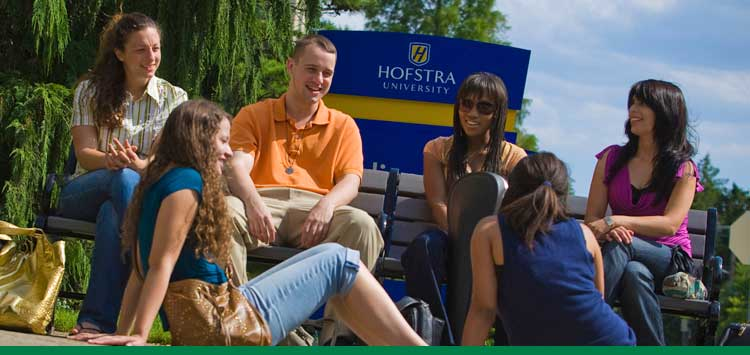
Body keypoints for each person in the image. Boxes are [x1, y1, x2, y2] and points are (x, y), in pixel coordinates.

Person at [68, 100, 426, 346]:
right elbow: (159, 265)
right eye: (222, 141)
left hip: (214, 317)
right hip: (220, 324)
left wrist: (122, 332)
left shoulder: (160, 181)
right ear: (198, 140)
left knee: (338, 265)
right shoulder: (187, 185)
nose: (227, 151)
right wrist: (140, 335)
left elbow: (139, 272)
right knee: (339, 260)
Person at [225, 34, 382, 344]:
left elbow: (351, 180)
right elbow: (237, 166)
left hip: (314, 212)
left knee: (362, 225)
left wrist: (325, 207)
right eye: (311, 69)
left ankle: (336, 340)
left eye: (327, 73)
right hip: (262, 204)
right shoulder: (255, 114)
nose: (319, 79)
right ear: (290, 66)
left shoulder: (343, 125)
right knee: (223, 212)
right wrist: (253, 203)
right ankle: (244, 328)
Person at [58, 12, 187, 335]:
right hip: (85, 188)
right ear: (119, 53)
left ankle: (94, 322)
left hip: (134, 195)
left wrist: (139, 165)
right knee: (122, 181)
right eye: (141, 50)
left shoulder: (175, 98)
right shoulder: (90, 90)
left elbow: (159, 161)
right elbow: (85, 155)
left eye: (156, 49)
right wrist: (113, 162)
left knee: (112, 216)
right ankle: (165, 298)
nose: (151, 58)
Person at [401, 72, 526, 344]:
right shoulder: (437, 149)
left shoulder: (514, 158)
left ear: (498, 114)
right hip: (451, 238)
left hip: (495, 248)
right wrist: (465, 240)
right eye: (466, 104)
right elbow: (438, 203)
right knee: (423, 248)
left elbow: (515, 214)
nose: (472, 113)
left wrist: (483, 244)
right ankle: (436, 336)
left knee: (518, 267)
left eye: (484, 107)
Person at [462, 152, 636, 345]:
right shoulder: (585, 234)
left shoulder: (489, 231)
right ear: (562, 194)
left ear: (512, 189)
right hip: (613, 338)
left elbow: (483, 311)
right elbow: (598, 300)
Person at [584, 79, 702, 345]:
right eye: (632, 103)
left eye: (642, 104)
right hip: (626, 254)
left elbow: (670, 224)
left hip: (670, 257)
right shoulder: (612, 159)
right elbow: (593, 221)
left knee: (623, 248)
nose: (633, 110)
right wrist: (614, 230)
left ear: (664, 112)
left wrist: (617, 221)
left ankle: (583, 325)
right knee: (635, 273)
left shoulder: (684, 168)